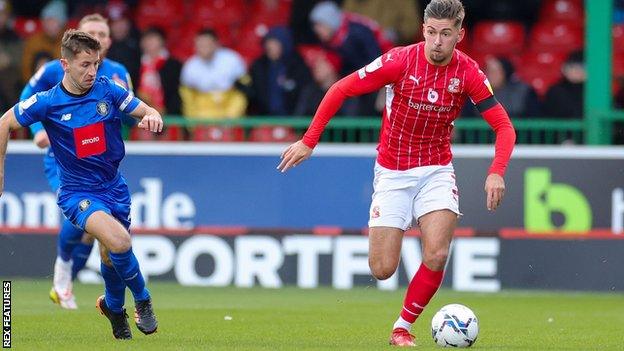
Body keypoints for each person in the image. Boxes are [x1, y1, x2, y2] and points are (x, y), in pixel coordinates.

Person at [277, 0, 515, 346]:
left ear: (459, 36)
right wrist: (309, 140)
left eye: (445, 34)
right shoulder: (399, 61)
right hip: (393, 171)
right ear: (423, 30)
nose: (437, 41)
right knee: (382, 268)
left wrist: (497, 171)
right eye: (431, 32)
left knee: (436, 253)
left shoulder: (468, 74)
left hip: (436, 170)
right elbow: (340, 88)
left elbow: (504, 127)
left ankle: (402, 327)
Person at [0, 29, 159, 340]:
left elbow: (144, 110)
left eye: (96, 64)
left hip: (114, 187)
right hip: (77, 193)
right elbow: (4, 122)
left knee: (108, 254)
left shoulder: (108, 90)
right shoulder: (47, 102)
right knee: (121, 242)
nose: (92, 71)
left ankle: (114, 307)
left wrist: (152, 116)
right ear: (65, 64)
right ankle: (142, 298)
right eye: (85, 64)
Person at [21, 13, 134, 310]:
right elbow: (26, 97)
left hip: (100, 161)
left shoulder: (117, 73)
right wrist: (37, 130)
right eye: (91, 32)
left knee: (97, 234)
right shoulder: (53, 71)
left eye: (103, 33)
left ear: (109, 41)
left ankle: (74, 285)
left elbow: (127, 114)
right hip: (62, 159)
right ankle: (62, 274)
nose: (98, 37)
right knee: (82, 217)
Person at [179, 28, 248, 119]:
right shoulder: (190, 67)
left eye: (207, 44)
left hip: (230, 112)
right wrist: (193, 121)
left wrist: (232, 116)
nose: (203, 48)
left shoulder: (232, 60)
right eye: (200, 45)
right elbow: (188, 99)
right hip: (202, 115)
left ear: (216, 44)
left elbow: (243, 91)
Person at [248, 26, 312, 116]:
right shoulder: (259, 66)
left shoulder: (298, 66)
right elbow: (256, 95)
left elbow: (304, 95)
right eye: (268, 43)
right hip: (265, 120)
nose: (270, 47)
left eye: (275, 43)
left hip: (293, 121)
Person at [137, 27, 182, 115]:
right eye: (146, 39)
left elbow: (175, 93)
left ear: (162, 41)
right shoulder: (137, 63)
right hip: (141, 114)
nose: (149, 42)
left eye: (153, 39)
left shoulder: (174, 64)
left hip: (168, 114)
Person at [21, 0, 66, 82]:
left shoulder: (69, 43)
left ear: (62, 23)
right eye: (47, 20)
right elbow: (26, 70)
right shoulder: (34, 42)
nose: (50, 25)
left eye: (55, 21)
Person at [542, 50, 585, 119]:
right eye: (572, 66)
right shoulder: (555, 91)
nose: (577, 70)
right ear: (564, 68)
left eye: (582, 66)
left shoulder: (595, 92)